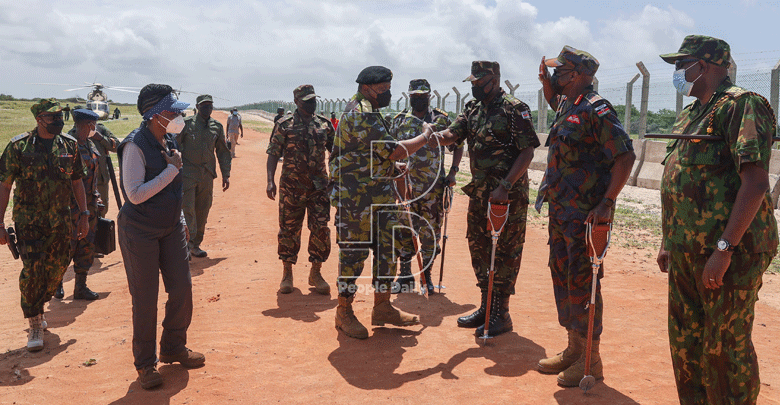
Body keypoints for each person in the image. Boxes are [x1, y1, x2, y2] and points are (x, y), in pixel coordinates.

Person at [657, 35, 778, 405]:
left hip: (728, 253)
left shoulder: (741, 106)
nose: (678, 73)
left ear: (704, 66)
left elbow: (755, 182)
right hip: (686, 251)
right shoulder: (691, 113)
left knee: (723, 349)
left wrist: (724, 249)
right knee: (686, 344)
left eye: (682, 65)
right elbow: (677, 178)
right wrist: (667, 242)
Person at [535, 46, 635, 387]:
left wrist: (607, 202)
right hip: (561, 214)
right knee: (563, 281)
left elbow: (624, 155)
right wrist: (548, 84)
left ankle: (592, 360)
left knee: (585, 285)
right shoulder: (568, 106)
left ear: (577, 75)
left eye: (560, 71)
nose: (554, 76)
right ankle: (574, 349)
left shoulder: (597, 109)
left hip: (586, 217)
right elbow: (556, 103)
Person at [426, 61, 539, 338]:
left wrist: (505, 185)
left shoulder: (515, 108)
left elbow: (527, 153)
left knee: (505, 252)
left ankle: (502, 313)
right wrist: (434, 136)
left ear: (494, 79)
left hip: (506, 196)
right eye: (472, 82)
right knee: (479, 247)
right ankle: (486, 307)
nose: (474, 86)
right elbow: (453, 134)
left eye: (479, 82)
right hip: (480, 193)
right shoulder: (472, 109)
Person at [329, 65, 434, 339]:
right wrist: (425, 136)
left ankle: (383, 307)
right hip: (356, 199)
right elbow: (394, 149)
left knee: (387, 252)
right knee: (353, 256)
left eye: (389, 88)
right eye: (383, 90)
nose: (388, 94)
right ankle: (344, 312)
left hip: (378, 193)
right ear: (367, 89)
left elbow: (374, 153)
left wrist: (392, 168)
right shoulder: (360, 113)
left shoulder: (371, 111)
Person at [117, 84, 205, 390]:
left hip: (169, 227)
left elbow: (172, 187)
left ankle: (173, 346)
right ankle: (145, 363)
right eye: (173, 110)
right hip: (139, 230)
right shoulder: (134, 146)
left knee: (182, 287)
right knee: (145, 299)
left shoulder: (167, 138)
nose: (179, 114)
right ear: (155, 115)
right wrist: (170, 171)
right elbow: (134, 194)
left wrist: (179, 218)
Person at [0, 98, 88, 352]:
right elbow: (4, 185)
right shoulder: (19, 146)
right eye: (53, 118)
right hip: (29, 222)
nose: (59, 122)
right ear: (39, 119)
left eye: (61, 117)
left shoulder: (69, 146)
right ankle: (35, 320)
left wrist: (84, 214)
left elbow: (77, 181)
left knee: (59, 266)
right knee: (33, 270)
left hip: (61, 220)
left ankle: (40, 301)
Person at [389, 79, 462, 294]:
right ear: (409, 96)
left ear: (430, 96)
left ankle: (426, 276)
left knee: (431, 233)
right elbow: (389, 150)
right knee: (404, 230)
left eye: (423, 95)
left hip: (433, 189)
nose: (418, 99)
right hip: (405, 188)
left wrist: (453, 172)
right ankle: (404, 275)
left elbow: (457, 145)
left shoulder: (441, 120)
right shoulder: (400, 121)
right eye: (415, 96)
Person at [266, 85, 334, 295]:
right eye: (306, 100)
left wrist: (337, 178)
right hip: (292, 187)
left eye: (313, 100)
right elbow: (273, 154)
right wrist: (270, 181)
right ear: (296, 102)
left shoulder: (324, 125)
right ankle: (287, 272)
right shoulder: (284, 125)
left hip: (319, 188)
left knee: (320, 228)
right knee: (289, 230)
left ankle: (316, 272)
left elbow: (337, 152)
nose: (311, 104)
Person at [56, 109, 104, 300]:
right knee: (67, 245)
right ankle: (56, 283)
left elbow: (92, 175)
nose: (95, 128)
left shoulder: (90, 144)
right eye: (93, 125)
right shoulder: (67, 145)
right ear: (87, 125)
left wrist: (96, 195)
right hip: (71, 207)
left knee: (86, 245)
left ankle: (80, 287)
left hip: (89, 205)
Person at [177, 95, 232, 258]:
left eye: (209, 106)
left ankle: (196, 245)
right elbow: (176, 147)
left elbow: (222, 151)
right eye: (204, 106)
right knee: (187, 209)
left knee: (203, 209)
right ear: (197, 107)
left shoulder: (217, 126)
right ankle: (186, 244)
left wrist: (226, 174)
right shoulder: (186, 125)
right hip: (187, 174)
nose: (207, 109)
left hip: (207, 174)